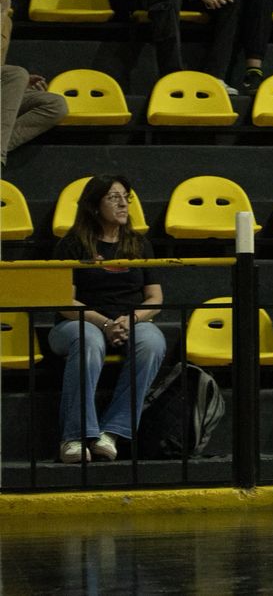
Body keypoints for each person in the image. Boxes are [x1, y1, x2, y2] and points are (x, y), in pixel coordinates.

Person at [48, 175, 166, 464]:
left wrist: (130, 319)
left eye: (126, 197)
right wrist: (104, 323)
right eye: (114, 197)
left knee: (152, 342)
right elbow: (64, 301)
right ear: (94, 205)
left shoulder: (139, 244)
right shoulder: (72, 244)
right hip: (78, 322)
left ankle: (111, 433)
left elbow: (155, 298)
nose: (123, 203)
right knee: (89, 340)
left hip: (129, 321)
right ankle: (74, 437)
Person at [0, 0, 67, 165]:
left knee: (55, 104)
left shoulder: (5, 22)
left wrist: (19, 85)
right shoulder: (2, 18)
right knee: (16, 74)